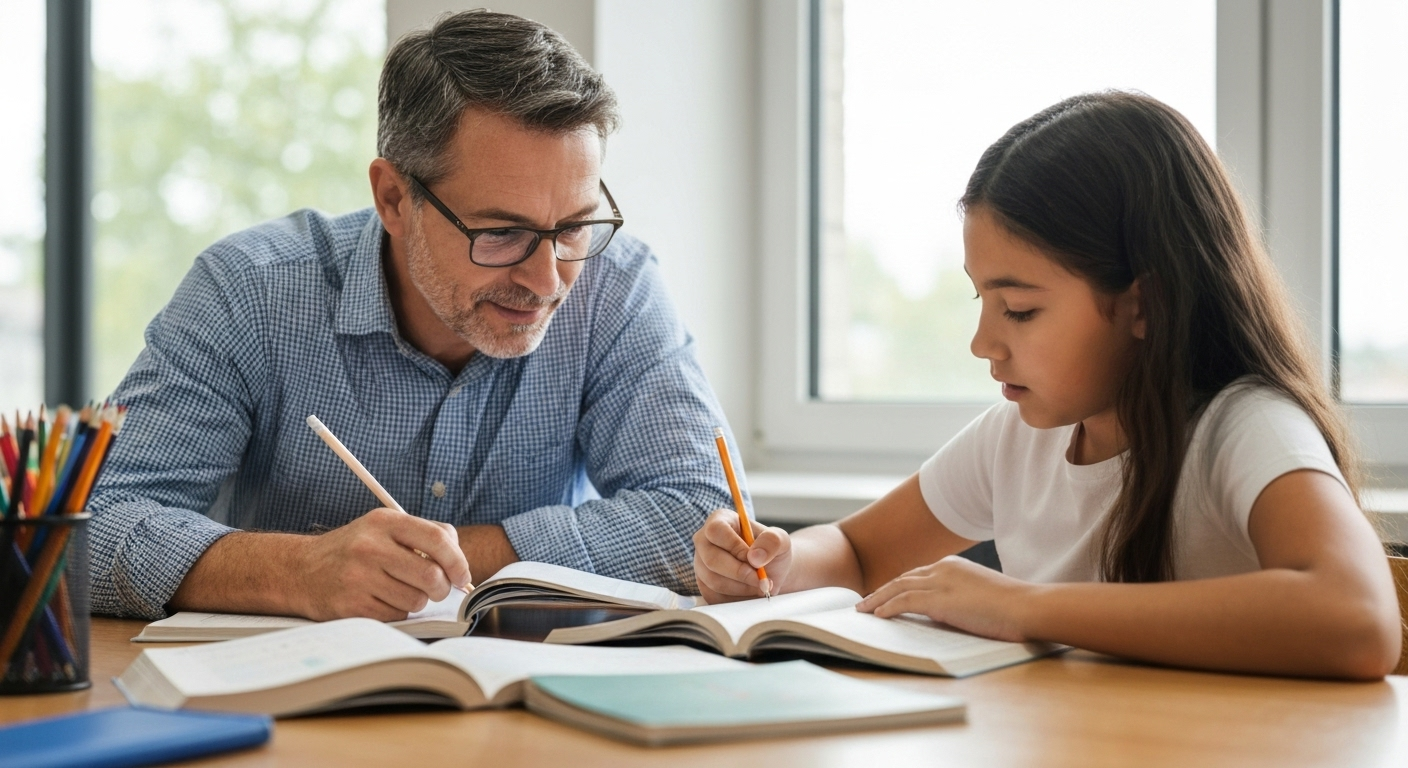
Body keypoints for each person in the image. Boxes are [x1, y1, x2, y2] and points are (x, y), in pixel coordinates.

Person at [694, 92, 1402, 680]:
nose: (983, 344)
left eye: (1021, 310)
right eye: (982, 302)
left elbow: (1359, 621)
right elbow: (858, 551)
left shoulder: (1244, 428)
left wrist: (1024, 606)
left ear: (1142, 304)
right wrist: (778, 563)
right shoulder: (1019, 437)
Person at [88, 10, 742, 621]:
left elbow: (703, 516)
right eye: (500, 233)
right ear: (394, 198)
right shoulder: (251, 291)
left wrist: (447, 558)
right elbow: (89, 525)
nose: (547, 280)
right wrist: (299, 571)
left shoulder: (615, 285)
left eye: (572, 227)